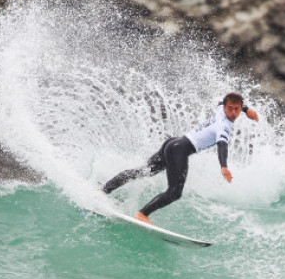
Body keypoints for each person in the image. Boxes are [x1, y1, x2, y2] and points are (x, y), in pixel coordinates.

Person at [102, 92, 259, 224]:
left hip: (172, 143)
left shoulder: (220, 110)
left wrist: (246, 109)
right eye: (229, 109)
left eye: (236, 110)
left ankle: (104, 189)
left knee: (144, 171)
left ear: (239, 110)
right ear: (225, 108)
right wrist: (223, 166)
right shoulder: (224, 125)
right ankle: (142, 215)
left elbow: (223, 102)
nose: (232, 112)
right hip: (180, 149)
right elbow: (222, 145)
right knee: (174, 192)